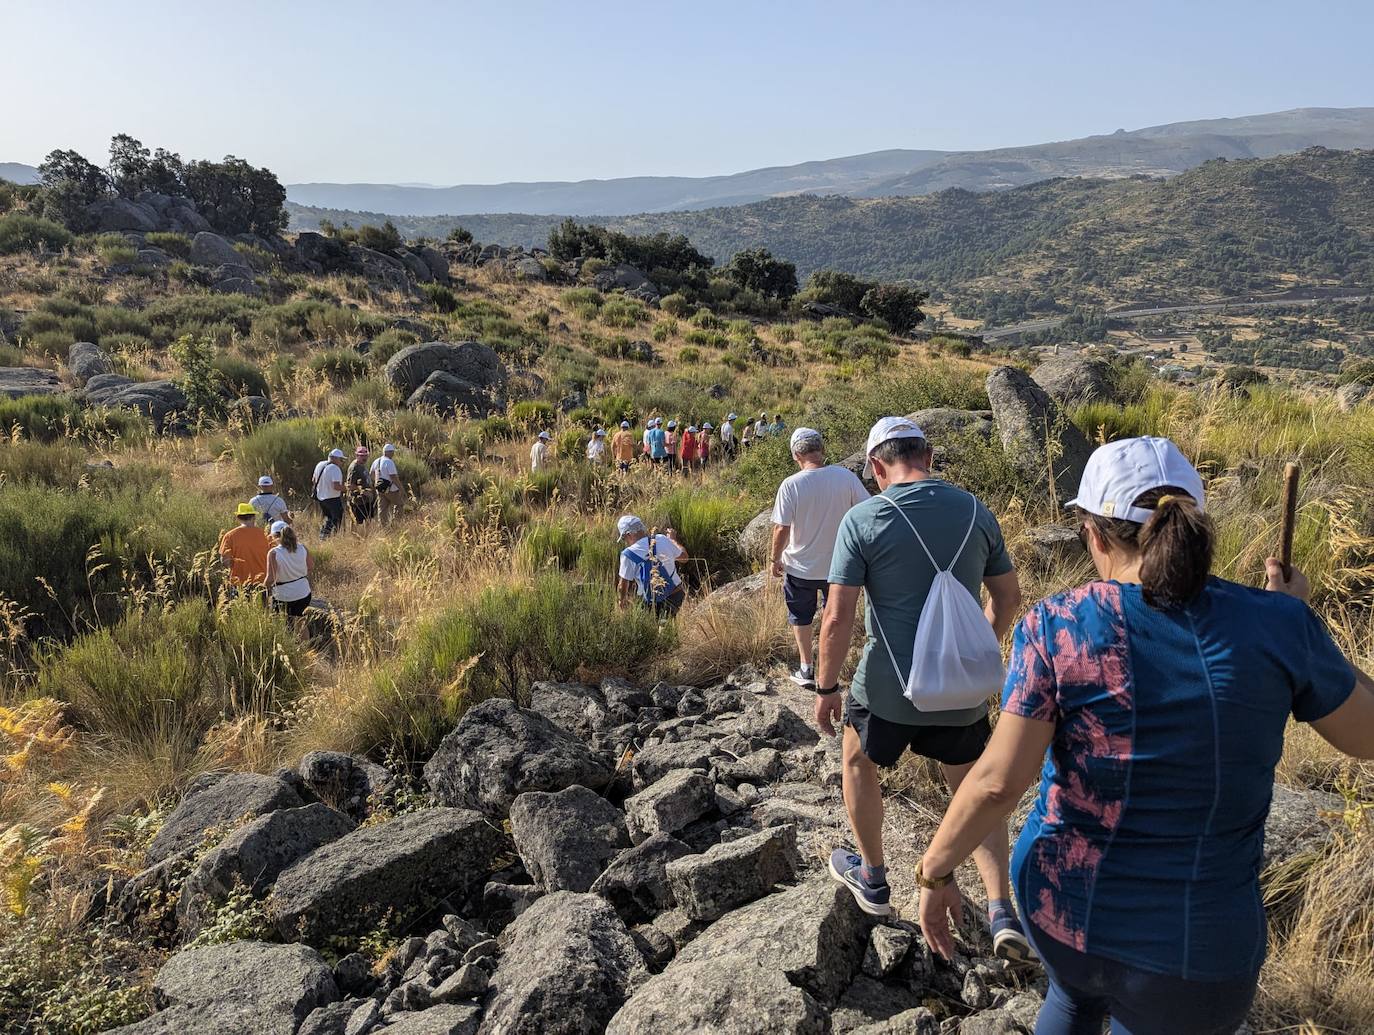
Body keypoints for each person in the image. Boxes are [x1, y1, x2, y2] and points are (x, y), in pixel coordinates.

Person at [914, 436, 1374, 1035]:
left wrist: (935, 870)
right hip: (1195, 948)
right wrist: (1300, 625)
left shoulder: (1056, 625)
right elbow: (1366, 735)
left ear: (1096, 535)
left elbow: (999, 783)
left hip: (1062, 909)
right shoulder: (1277, 624)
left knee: (1071, 999)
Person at [815, 416, 1026, 959]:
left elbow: (837, 618)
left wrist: (826, 686)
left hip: (888, 690)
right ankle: (1001, 909)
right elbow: (1007, 598)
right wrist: (968, 652)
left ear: (876, 466)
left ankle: (874, 878)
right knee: (973, 789)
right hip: (961, 694)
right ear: (928, 457)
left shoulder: (865, 518)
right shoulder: (976, 511)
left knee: (857, 761)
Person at [770, 428, 869, 689]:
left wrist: (774, 559)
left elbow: (781, 528)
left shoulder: (791, 484)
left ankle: (806, 668)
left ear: (795, 455)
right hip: (839, 566)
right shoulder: (845, 477)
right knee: (834, 616)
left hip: (799, 567)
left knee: (800, 617)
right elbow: (866, 511)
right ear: (822, 450)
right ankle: (829, 669)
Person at [616, 515, 688, 616]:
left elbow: (623, 584)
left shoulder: (628, 554)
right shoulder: (662, 539)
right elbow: (684, 558)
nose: (625, 541)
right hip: (676, 595)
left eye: (624, 538)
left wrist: (622, 601)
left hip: (652, 603)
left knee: (655, 624)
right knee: (669, 622)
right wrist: (673, 540)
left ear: (628, 534)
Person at [266, 520, 314, 616]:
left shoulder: (274, 553)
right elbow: (311, 566)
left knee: (283, 623)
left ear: (273, 536)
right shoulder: (302, 547)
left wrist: (264, 590)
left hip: (283, 596)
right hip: (304, 593)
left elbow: (270, 579)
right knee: (300, 621)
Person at [219, 503, 270, 591]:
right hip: (262, 581)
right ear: (254, 517)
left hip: (239, 582)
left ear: (238, 518)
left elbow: (225, 561)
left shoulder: (230, 536)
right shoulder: (264, 534)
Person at [311, 448, 346, 538]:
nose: (342, 462)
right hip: (332, 498)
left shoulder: (320, 464)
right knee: (335, 520)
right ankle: (330, 537)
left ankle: (323, 536)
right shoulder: (335, 468)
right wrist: (348, 489)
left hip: (321, 498)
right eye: (341, 460)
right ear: (335, 458)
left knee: (328, 518)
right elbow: (336, 486)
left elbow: (313, 480)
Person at [369, 443, 406, 525]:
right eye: (392, 452)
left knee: (382, 509)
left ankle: (383, 526)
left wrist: (377, 482)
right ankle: (396, 524)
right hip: (391, 489)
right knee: (399, 504)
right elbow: (393, 477)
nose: (393, 454)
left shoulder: (376, 461)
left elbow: (371, 474)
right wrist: (401, 489)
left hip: (380, 488)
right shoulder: (389, 462)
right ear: (389, 452)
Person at [345, 445, 375, 526]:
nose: (364, 458)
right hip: (358, 500)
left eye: (365, 455)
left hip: (366, 499)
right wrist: (363, 491)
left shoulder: (362, 465)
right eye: (361, 456)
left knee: (368, 520)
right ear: (357, 455)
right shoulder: (354, 467)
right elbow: (350, 485)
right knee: (358, 522)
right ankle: (355, 534)